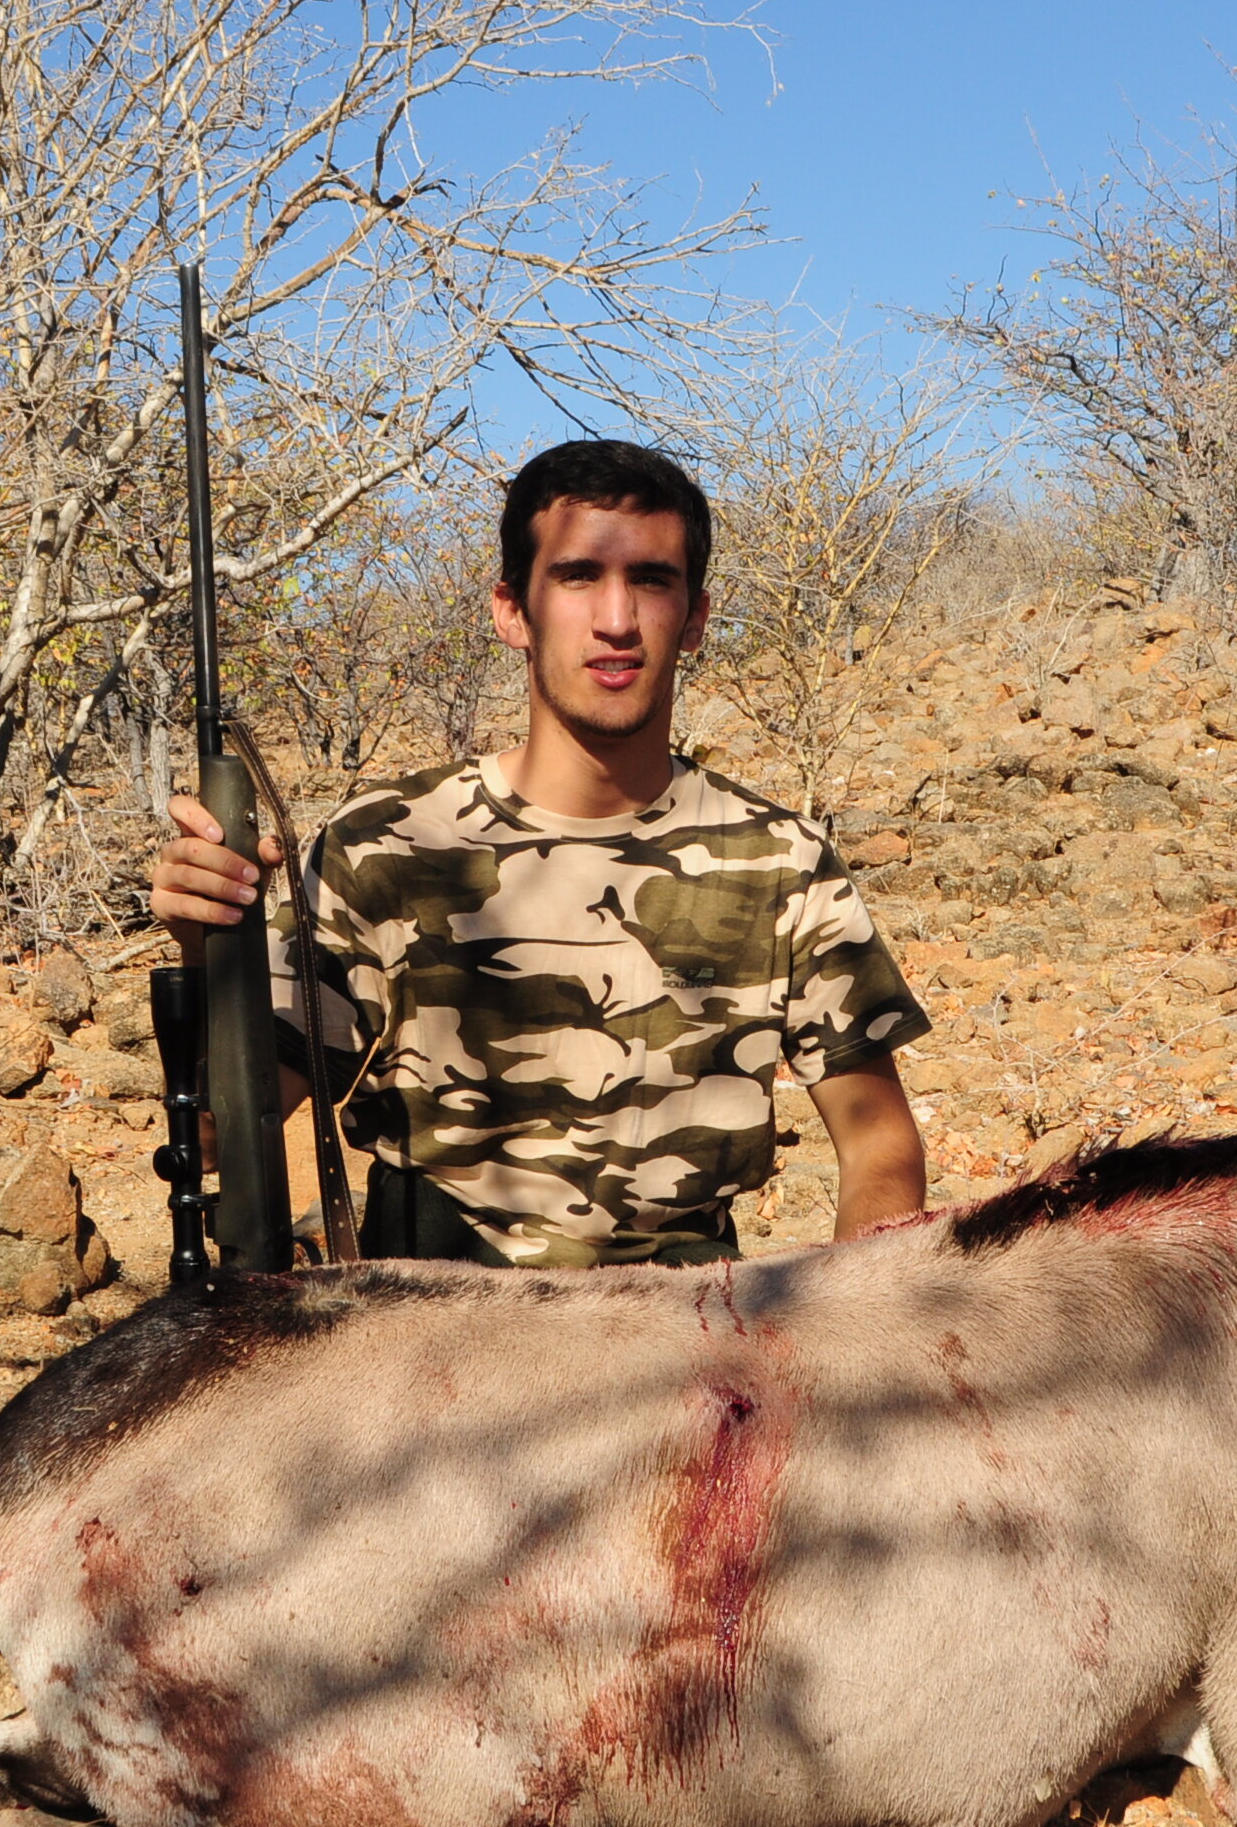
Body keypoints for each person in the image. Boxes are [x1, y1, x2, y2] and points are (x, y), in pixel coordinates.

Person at [148, 439, 933, 1266]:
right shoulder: (383, 845)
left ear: (696, 617)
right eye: (578, 576)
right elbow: (222, 1135)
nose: (617, 620)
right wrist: (210, 946)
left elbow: (880, 1143)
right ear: (511, 610)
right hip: (429, 1333)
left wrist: (845, 1335)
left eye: (652, 580)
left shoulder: (781, 858)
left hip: (691, 1330)